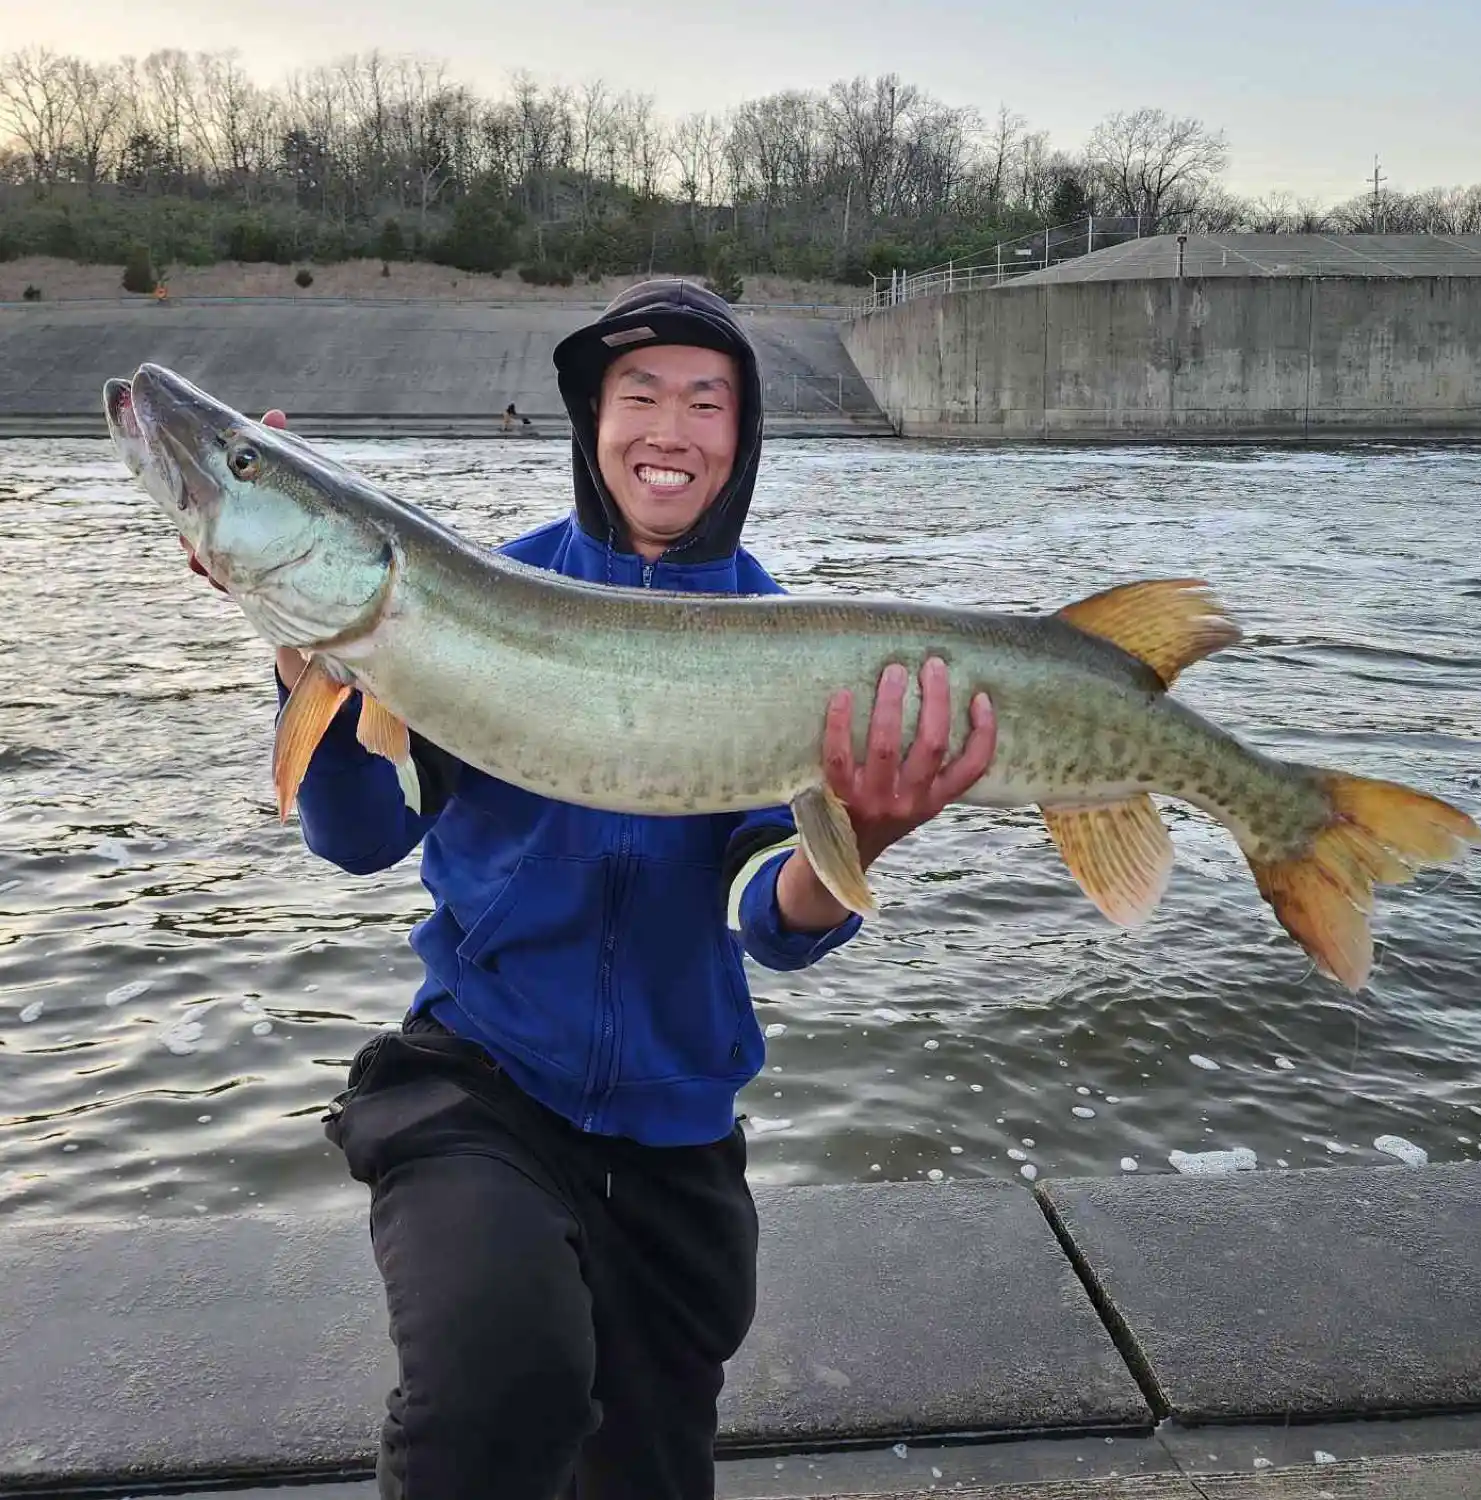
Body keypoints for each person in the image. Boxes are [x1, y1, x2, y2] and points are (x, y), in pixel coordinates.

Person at [183, 278, 996, 1500]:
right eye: (639, 395)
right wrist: (298, 647)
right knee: (496, 1392)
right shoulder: (461, 598)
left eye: (706, 401)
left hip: (678, 1134)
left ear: (743, 438)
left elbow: (767, 919)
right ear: (591, 421)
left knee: (649, 1474)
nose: (670, 429)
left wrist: (860, 841)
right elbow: (357, 835)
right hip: (480, 1087)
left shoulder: (789, 647)